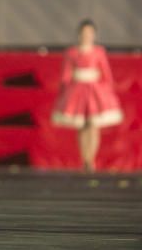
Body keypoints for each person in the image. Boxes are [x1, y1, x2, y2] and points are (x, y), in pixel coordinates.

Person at [51, 19, 122, 171]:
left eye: (90, 33)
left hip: (95, 92)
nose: (87, 36)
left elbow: (106, 73)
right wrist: (64, 91)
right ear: (79, 34)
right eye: (84, 33)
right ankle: (85, 159)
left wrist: (108, 92)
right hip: (77, 91)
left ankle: (91, 159)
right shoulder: (71, 52)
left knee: (93, 125)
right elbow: (66, 75)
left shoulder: (99, 51)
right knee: (82, 126)